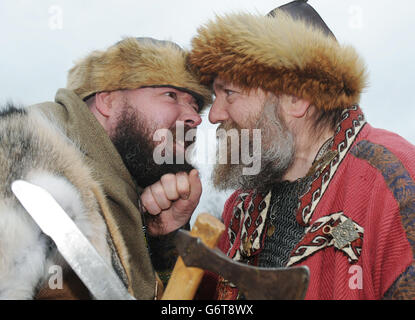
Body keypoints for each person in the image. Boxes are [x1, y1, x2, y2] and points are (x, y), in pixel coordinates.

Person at [187, 0, 415, 299]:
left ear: (296, 98)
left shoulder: (393, 180)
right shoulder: (242, 206)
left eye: (229, 93)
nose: (214, 115)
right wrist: (169, 235)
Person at [0, 37, 211, 299]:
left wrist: (165, 240)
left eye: (195, 104)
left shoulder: (124, 187)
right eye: (171, 95)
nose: (195, 117)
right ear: (107, 100)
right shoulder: (22, 154)